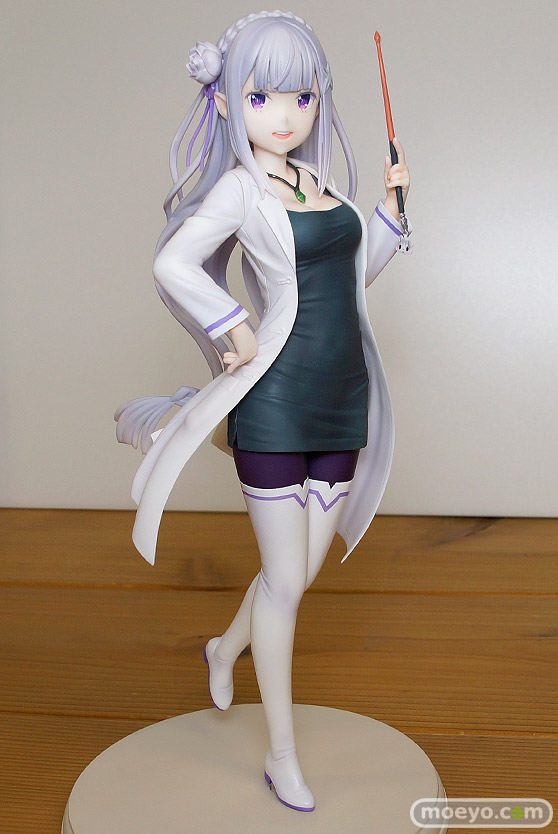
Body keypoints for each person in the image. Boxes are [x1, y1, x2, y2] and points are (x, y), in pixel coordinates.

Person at [115, 9, 411, 813]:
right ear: (226, 103)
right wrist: (230, 324)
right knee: (284, 583)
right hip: (276, 402)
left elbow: (349, 281)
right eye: (261, 97)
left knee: (297, 575)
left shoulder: (320, 186)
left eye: (301, 96)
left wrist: (389, 215)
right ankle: (282, 755)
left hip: (342, 399)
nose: (285, 115)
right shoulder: (241, 189)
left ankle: (223, 647)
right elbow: (174, 262)